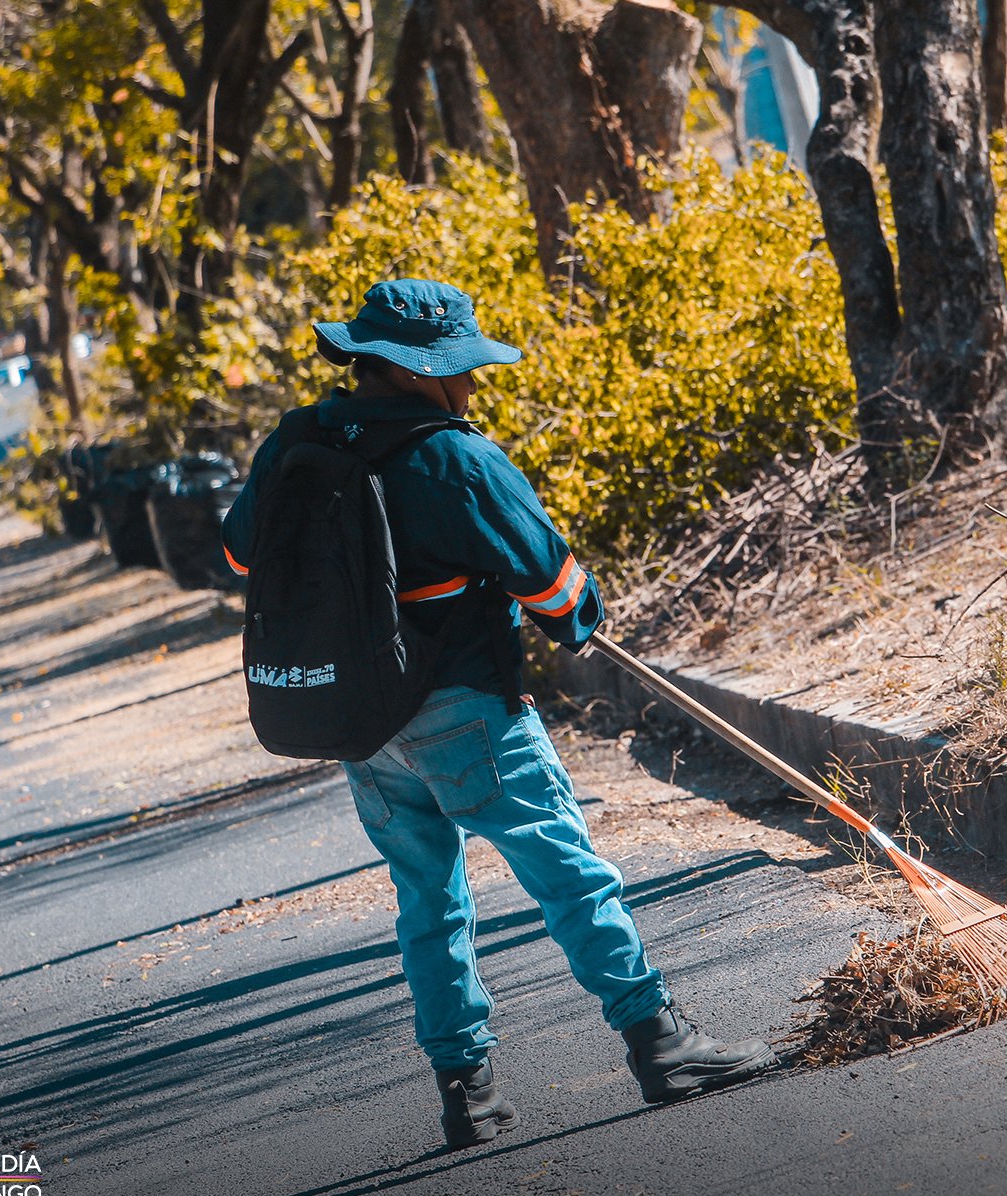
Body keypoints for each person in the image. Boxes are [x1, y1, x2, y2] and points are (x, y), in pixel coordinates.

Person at [219, 279, 778, 1150]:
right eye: (464, 370)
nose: (474, 387)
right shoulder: (453, 457)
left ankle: (467, 1095)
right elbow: (557, 593)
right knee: (568, 874)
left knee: (428, 904)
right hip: (467, 714)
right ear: (426, 372)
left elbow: (236, 549)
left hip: (363, 728)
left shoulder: (297, 444)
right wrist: (581, 612)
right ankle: (661, 1043)